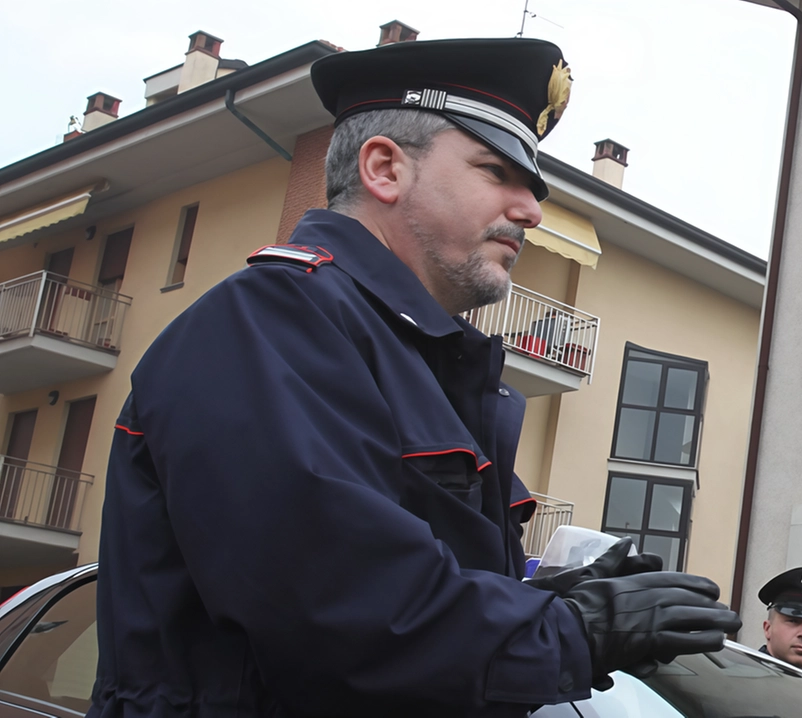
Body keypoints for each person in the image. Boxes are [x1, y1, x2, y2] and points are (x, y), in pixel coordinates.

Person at [90, 37, 740, 718]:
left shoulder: (406, 353)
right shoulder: (269, 322)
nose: (532, 211)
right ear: (384, 168)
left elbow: (422, 584)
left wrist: (556, 594)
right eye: (498, 172)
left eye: (535, 188)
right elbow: (341, 610)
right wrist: (576, 628)